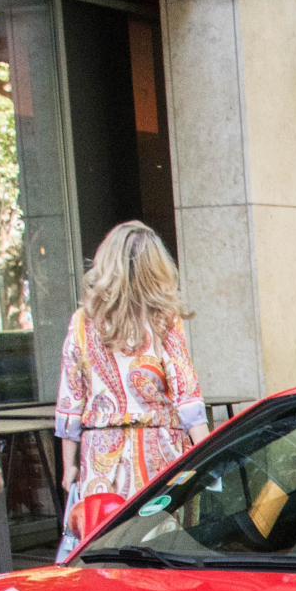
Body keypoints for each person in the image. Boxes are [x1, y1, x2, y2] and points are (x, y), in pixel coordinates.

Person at [54, 222, 209, 560]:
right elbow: (187, 395)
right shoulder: (163, 320)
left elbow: (70, 399)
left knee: (104, 546)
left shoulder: (82, 322)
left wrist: (69, 467)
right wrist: (207, 451)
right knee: (161, 548)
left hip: (99, 456)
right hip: (160, 452)